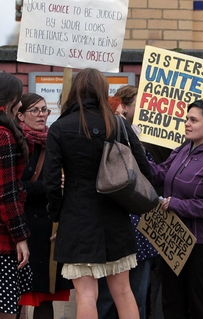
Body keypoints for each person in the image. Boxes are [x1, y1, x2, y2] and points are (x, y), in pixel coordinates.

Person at [43, 68, 152, 319]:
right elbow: (144, 169)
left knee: (86, 295)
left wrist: (57, 212)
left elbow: (51, 182)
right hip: (115, 215)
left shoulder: (60, 128)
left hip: (77, 218)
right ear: (103, 91)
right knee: (123, 292)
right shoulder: (118, 124)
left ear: (75, 92)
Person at [149, 99, 203, 319]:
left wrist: (176, 204)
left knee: (200, 308)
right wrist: (134, 151)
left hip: (202, 245)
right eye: (186, 119)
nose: (186, 123)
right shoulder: (183, 150)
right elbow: (160, 174)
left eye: (193, 120)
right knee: (172, 305)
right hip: (173, 237)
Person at [97, 85, 161, 319]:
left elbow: (153, 175)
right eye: (137, 105)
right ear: (122, 108)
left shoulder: (146, 140)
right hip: (120, 229)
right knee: (109, 298)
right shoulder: (107, 139)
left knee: (136, 295)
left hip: (139, 231)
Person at [16, 93, 72, 319]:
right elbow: (13, 188)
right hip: (21, 228)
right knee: (15, 298)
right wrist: (47, 186)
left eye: (45, 110)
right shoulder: (16, 142)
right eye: (35, 110)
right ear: (20, 115)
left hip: (48, 229)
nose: (42, 115)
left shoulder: (53, 141)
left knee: (45, 296)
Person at [0, 73, 32, 319]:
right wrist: (20, 237)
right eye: (19, 97)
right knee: (8, 311)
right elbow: (7, 193)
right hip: (3, 240)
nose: (21, 103)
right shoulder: (4, 135)